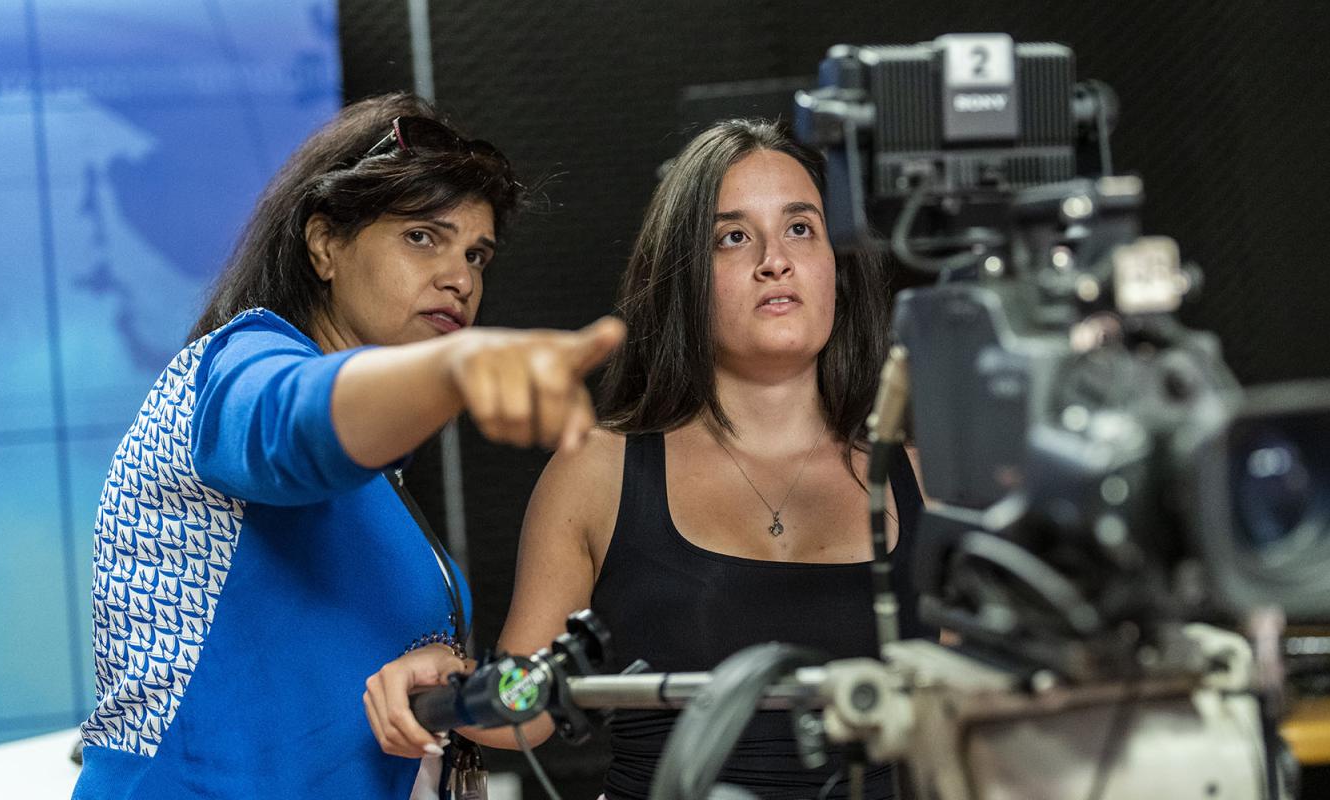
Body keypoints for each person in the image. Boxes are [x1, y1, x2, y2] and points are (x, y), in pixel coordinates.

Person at [72, 91, 624, 800]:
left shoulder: (378, 482)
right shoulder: (237, 366)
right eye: (423, 236)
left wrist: (459, 685)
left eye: (477, 254)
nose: (460, 278)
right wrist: (455, 368)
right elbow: (291, 423)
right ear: (325, 244)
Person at [366, 120, 930, 799]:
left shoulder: (923, 478)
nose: (774, 260)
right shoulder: (598, 473)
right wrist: (450, 685)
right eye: (734, 237)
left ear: (839, 260)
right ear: (686, 275)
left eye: (801, 228)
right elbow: (526, 703)